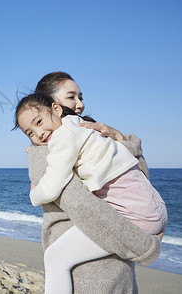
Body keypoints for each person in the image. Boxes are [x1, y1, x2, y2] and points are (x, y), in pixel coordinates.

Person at [22, 72, 162, 293]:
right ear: (53, 104)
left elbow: (141, 180)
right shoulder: (46, 151)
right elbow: (82, 205)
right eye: (72, 97)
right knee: (55, 258)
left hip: (116, 262)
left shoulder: (88, 132)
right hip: (90, 272)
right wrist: (141, 242)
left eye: (80, 96)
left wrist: (121, 139)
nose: (80, 104)